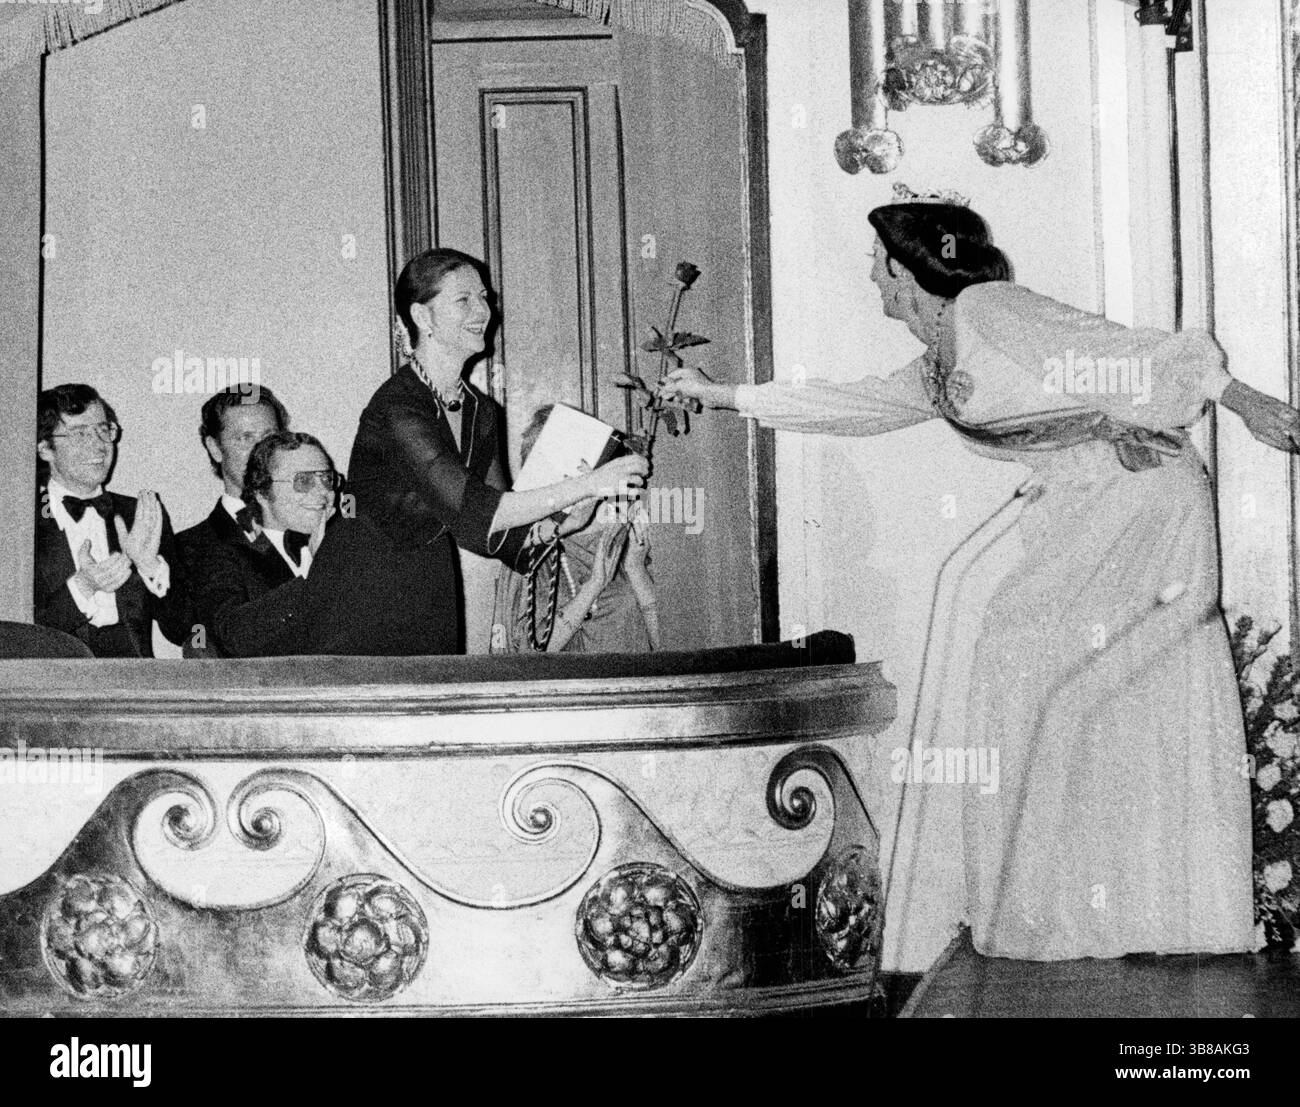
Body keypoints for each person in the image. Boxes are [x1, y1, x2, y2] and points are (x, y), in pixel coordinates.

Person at [661, 193, 1300, 962]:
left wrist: (1243, 399)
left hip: (1142, 503)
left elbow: (1129, 351)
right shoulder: (938, 366)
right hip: (1086, 511)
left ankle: (1125, 904)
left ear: (906, 268)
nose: (872, 277)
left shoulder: (991, 308)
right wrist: (725, 395)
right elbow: (854, 404)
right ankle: (1083, 902)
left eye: (878, 264)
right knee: (1024, 665)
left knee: (1050, 662)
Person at [345, 248, 649, 655]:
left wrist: (565, 526)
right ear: (422, 317)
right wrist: (586, 484)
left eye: (484, 297)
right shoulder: (398, 408)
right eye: (463, 299)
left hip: (430, 580)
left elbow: (491, 534)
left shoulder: (481, 409)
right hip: (364, 584)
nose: (482, 310)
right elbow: (477, 509)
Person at [492, 405, 660, 653]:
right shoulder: (527, 548)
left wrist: (635, 569)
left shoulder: (626, 533)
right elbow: (526, 655)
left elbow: (668, 648)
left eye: (586, 467)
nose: (580, 481)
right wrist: (593, 587)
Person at [35, 384, 187, 658]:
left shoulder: (141, 513)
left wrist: (150, 567)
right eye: (80, 433)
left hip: (133, 686)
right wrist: (82, 587)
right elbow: (16, 638)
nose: (100, 446)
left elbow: (182, 628)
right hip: (53, 688)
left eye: (104, 430)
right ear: (45, 448)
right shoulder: (19, 523)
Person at [176, 384, 289, 656]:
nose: (261, 450)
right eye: (244, 438)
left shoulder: (323, 524)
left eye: (269, 436)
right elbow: (184, 629)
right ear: (215, 449)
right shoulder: (189, 547)